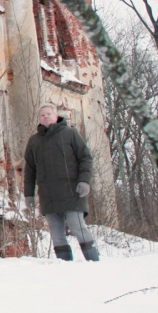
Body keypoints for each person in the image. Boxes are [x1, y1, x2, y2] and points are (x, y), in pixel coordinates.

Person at [23, 104, 100, 261]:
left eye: (48, 114)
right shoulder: (34, 141)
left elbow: (85, 158)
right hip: (48, 194)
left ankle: (94, 262)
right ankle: (64, 266)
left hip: (72, 191)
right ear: (39, 119)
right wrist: (28, 195)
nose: (46, 117)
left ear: (56, 115)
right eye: (42, 115)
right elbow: (29, 170)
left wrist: (84, 181)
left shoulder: (70, 134)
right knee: (56, 233)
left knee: (77, 225)